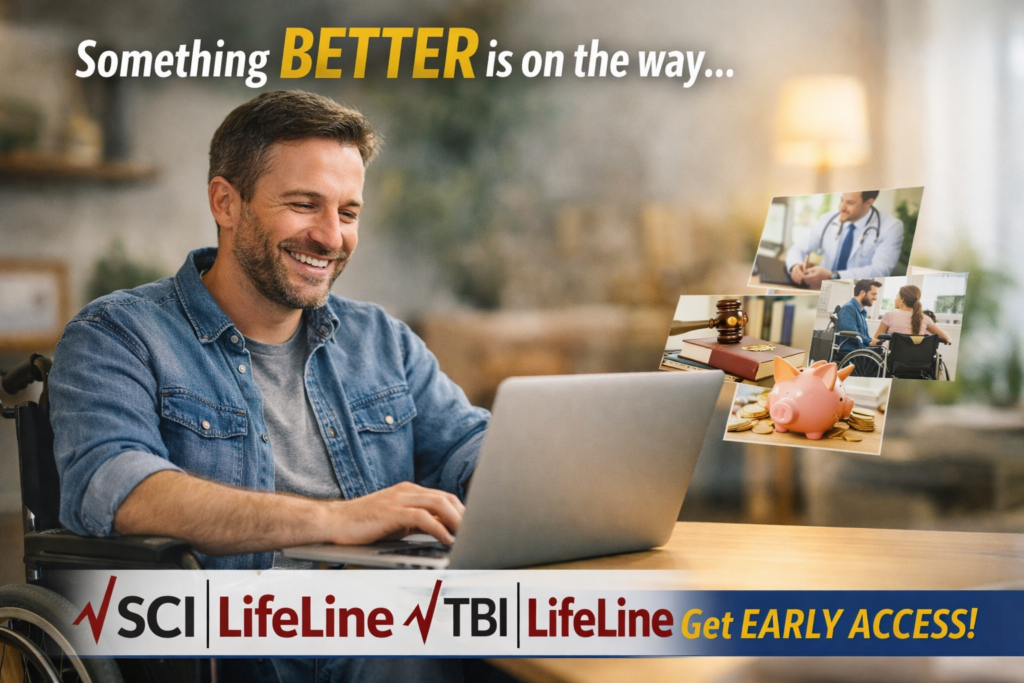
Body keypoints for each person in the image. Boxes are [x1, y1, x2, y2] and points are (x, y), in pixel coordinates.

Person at [49, 91, 489, 569]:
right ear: (226, 204)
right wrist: (335, 520)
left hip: (397, 624)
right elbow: (117, 486)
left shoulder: (383, 341)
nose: (330, 237)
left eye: (347, 213)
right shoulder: (117, 335)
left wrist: (538, 478)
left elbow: (468, 447)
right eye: (304, 204)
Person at [786, 191, 905, 289]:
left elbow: (880, 270)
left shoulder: (891, 226)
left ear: (868, 202)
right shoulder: (827, 219)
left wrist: (833, 276)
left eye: (850, 203)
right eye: (841, 200)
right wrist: (795, 265)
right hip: (820, 287)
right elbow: (797, 249)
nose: (841, 208)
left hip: (857, 291)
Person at [870, 284, 952, 348]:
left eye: (896, 296)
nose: (895, 299)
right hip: (918, 362)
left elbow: (876, 340)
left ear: (902, 299)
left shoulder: (889, 315)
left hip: (892, 362)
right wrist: (946, 340)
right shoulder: (925, 318)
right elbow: (946, 338)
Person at [834, 278, 881, 356]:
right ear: (862, 292)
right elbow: (852, 334)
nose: (876, 298)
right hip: (851, 351)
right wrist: (870, 341)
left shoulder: (862, 312)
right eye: (873, 294)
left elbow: (863, 336)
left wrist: (872, 341)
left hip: (859, 349)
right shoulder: (848, 308)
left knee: (882, 351)